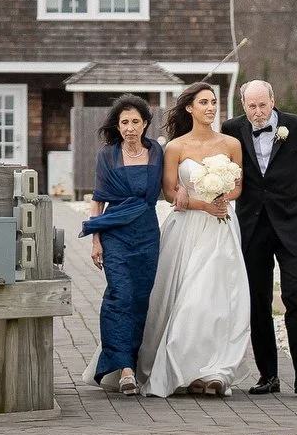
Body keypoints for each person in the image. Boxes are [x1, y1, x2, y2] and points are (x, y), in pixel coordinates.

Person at [138, 82, 258, 397]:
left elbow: (238, 186)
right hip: (187, 228)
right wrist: (199, 201)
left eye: (213, 102)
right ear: (190, 107)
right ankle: (183, 368)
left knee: (218, 299)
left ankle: (216, 370)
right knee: (188, 299)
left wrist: (222, 196)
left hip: (221, 227)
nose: (210, 107)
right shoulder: (175, 147)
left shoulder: (231, 143)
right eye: (203, 102)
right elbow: (168, 192)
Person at [222, 80, 297, 395]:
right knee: (258, 301)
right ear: (243, 105)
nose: (257, 113)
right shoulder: (231, 129)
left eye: (262, 105)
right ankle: (268, 375)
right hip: (253, 226)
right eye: (251, 107)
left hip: (292, 223)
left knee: (295, 295)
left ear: (272, 101)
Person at [81, 95, 165, 395]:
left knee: (141, 298)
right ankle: (125, 369)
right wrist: (96, 240)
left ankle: (133, 360)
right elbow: (98, 197)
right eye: (124, 122)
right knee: (120, 294)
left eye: (135, 122)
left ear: (145, 124)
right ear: (117, 126)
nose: (130, 128)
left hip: (147, 234)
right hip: (114, 232)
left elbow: (169, 187)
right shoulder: (108, 155)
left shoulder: (156, 152)